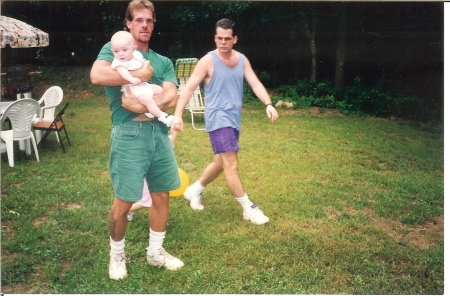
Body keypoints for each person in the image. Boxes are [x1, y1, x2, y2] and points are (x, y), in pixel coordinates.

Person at [90, 0, 183, 280]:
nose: (145, 25)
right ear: (128, 24)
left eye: (149, 20)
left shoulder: (163, 61)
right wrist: (141, 75)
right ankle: (116, 254)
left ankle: (155, 252)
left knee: (162, 193)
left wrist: (141, 105)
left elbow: (171, 96)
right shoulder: (115, 48)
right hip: (128, 134)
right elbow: (96, 75)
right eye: (139, 20)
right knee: (124, 200)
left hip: (159, 134)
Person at [172, 18, 279, 225]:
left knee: (221, 162)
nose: (222, 42)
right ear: (215, 38)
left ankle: (195, 189)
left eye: (227, 38)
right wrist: (177, 114)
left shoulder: (242, 60)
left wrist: (268, 103)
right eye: (219, 38)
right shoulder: (207, 61)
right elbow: (188, 88)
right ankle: (248, 208)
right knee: (232, 164)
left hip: (233, 119)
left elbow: (255, 83)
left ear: (235, 39)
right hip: (217, 118)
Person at [110, 30, 174, 127]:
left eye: (124, 50)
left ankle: (150, 110)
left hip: (143, 85)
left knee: (159, 90)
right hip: (133, 90)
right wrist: (132, 79)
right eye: (116, 51)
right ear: (112, 51)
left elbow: (143, 63)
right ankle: (163, 116)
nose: (120, 54)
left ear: (133, 49)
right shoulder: (118, 63)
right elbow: (123, 73)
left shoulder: (137, 55)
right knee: (148, 101)